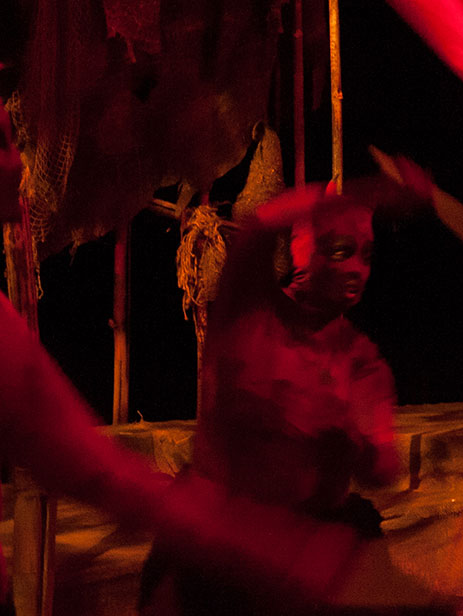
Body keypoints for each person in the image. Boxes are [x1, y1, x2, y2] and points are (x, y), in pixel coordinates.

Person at [140, 175, 408, 615]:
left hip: (308, 546)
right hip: (213, 547)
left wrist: (352, 440)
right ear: (303, 249)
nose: (358, 269)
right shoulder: (248, 315)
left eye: (367, 255)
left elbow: (384, 466)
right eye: (341, 251)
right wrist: (360, 193)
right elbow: (258, 232)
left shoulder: (361, 359)